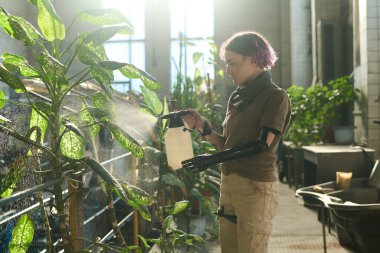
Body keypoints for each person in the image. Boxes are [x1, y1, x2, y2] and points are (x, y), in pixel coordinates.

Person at [181, 31, 291, 253]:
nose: (227, 70)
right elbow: (228, 145)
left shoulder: (275, 97)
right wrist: (204, 127)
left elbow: (261, 145)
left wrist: (212, 159)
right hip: (230, 184)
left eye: (232, 63)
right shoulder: (237, 97)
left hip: (255, 188)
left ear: (253, 58)